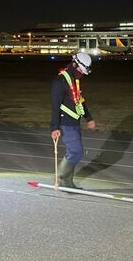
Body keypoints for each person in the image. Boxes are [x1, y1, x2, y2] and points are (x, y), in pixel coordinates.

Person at [50, 52, 96, 189]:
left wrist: (88, 117)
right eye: (82, 70)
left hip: (74, 122)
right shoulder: (60, 82)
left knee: (74, 151)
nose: (83, 74)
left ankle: (67, 181)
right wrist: (54, 127)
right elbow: (55, 106)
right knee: (76, 152)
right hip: (65, 123)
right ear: (75, 65)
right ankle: (61, 178)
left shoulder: (74, 80)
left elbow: (80, 100)